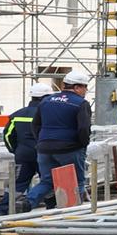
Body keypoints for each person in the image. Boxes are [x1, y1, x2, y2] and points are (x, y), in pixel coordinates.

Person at [25, 67, 93, 209]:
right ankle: (76, 212)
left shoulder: (46, 101)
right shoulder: (81, 103)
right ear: (76, 87)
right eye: (85, 87)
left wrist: (42, 142)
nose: (85, 91)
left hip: (44, 148)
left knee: (47, 181)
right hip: (70, 148)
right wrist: (82, 144)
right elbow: (83, 128)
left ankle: (27, 202)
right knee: (77, 181)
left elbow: (35, 125)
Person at [0, 81, 52, 215]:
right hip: (43, 154)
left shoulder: (17, 114)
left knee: (18, 184)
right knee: (48, 182)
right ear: (46, 97)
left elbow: (8, 135)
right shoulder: (48, 114)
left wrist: (15, 150)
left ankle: (3, 210)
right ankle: (52, 208)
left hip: (22, 155)